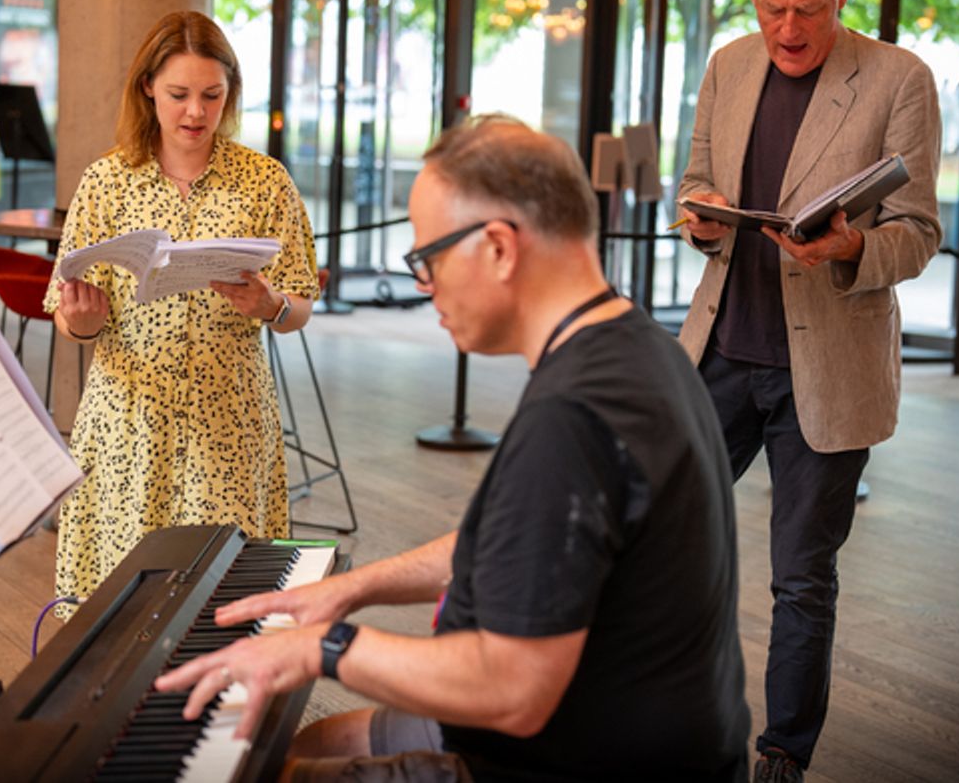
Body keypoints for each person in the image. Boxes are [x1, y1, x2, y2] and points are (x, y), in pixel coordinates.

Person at [156, 116, 751, 783]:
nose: (423, 284)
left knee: (268, 771)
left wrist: (326, 647)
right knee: (308, 742)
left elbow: (512, 690)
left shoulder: (572, 417)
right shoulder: (637, 344)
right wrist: (353, 590)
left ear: (498, 248)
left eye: (428, 258)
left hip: (571, 757)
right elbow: (521, 539)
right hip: (654, 739)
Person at [675, 0, 941, 782]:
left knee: (802, 576)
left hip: (827, 371)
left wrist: (850, 246)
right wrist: (703, 223)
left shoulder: (900, 78)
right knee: (665, 538)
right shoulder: (728, 63)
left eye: (810, 11)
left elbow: (918, 230)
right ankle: (663, 713)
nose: (788, 30)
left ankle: (783, 753)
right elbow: (697, 183)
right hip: (720, 354)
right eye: (772, 9)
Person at [44, 11, 320, 610]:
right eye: (179, 94)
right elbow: (67, 314)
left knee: (220, 593)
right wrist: (83, 319)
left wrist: (272, 306)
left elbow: (301, 303)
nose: (195, 112)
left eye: (211, 96)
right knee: (119, 600)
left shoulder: (266, 182)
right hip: (127, 420)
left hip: (229, 417)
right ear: (148, 88)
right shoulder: (106, 182)